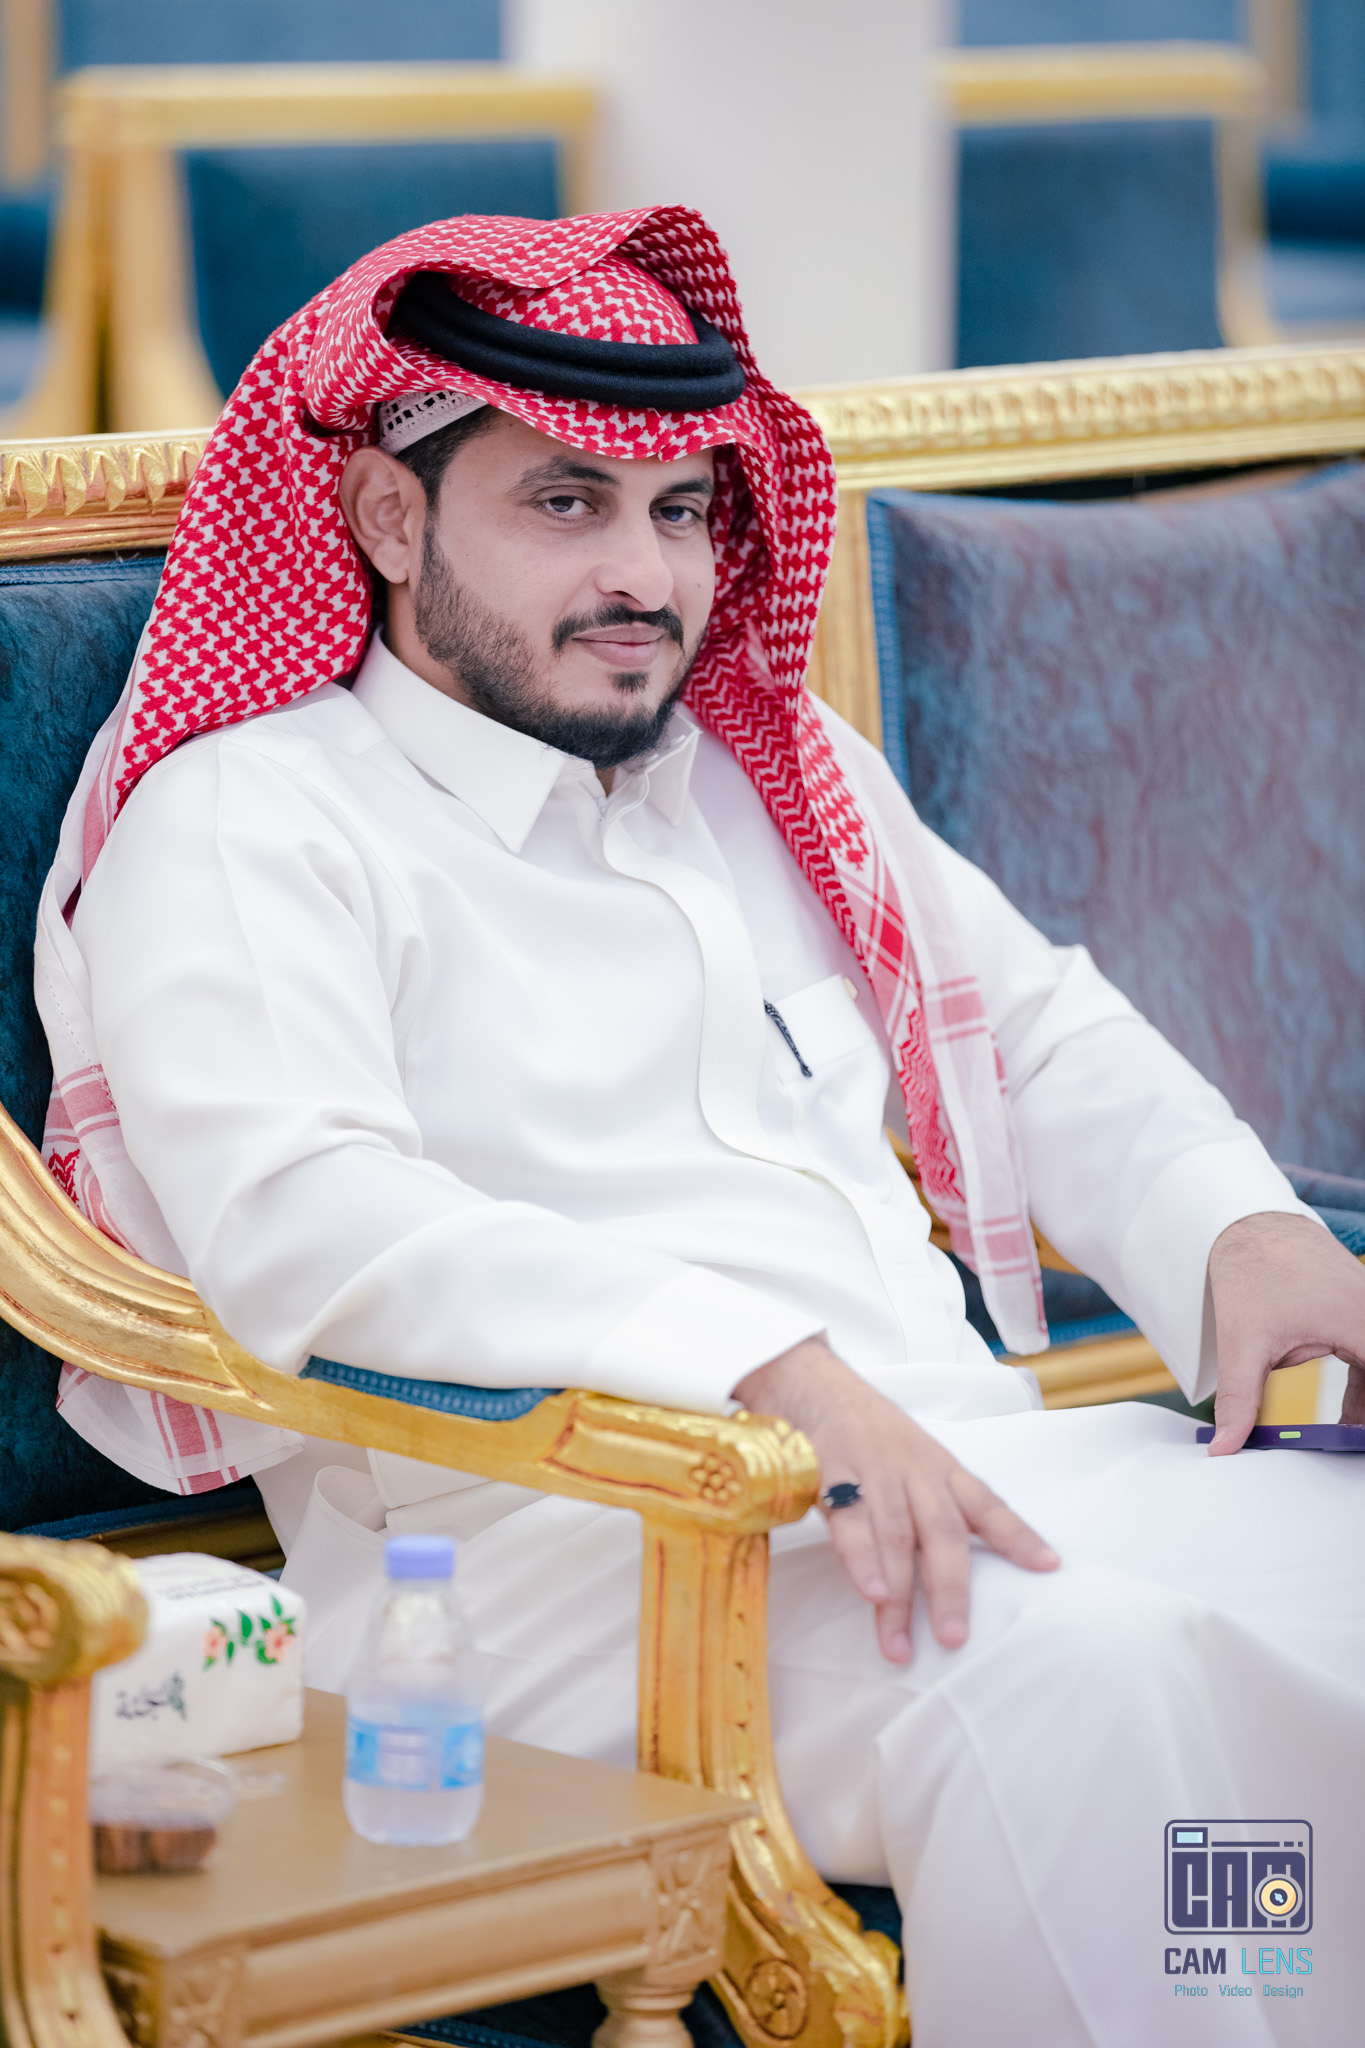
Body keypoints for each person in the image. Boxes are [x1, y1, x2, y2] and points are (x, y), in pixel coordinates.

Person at [35, 209, 1365, 2045]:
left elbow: (1032, 1025)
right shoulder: (254, 821)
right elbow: (306, 1221)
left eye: (679, 511)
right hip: (547, 1574)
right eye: (564, 503)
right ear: (389, 518)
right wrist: (765, 1368)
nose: (644, 574)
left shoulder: (757, 773)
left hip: (947, 1469)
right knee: (1090, 1677)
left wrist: (1243, 1230)